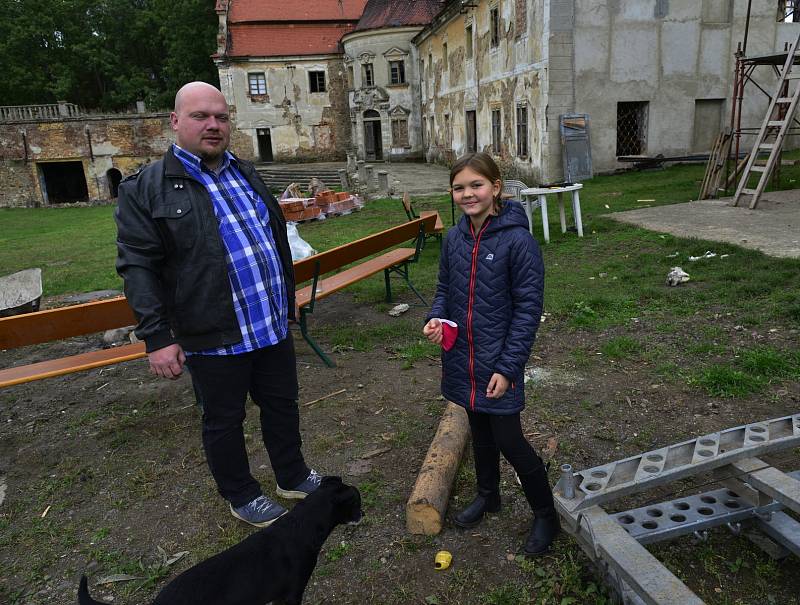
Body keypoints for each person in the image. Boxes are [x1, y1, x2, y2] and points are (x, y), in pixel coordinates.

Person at [115, 81, 319, 528]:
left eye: (221, 117)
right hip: (211, 331)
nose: (213, 125)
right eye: (200, 116)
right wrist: (157, 338)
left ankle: (292, 474)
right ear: (174, 121)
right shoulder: (146, 188)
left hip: (268, 323)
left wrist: (288, 299)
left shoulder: (244, 172)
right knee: (224, 420)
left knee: (283, 404)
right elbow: (137, 266)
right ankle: (242, 494)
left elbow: (275, 240)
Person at [422, 152, 559, 556]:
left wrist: (509, 366)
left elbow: (528, 309)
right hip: (462, 358)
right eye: (459, 187)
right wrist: (435, 318)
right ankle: (489, 495)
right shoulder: (453, 239)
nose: (468, 194)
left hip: (499, 363)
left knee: (510, 440)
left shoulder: (518, 241)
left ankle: (545, 513)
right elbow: (445, 290)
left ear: (496, 187)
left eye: (476, 185)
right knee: (479, 432)